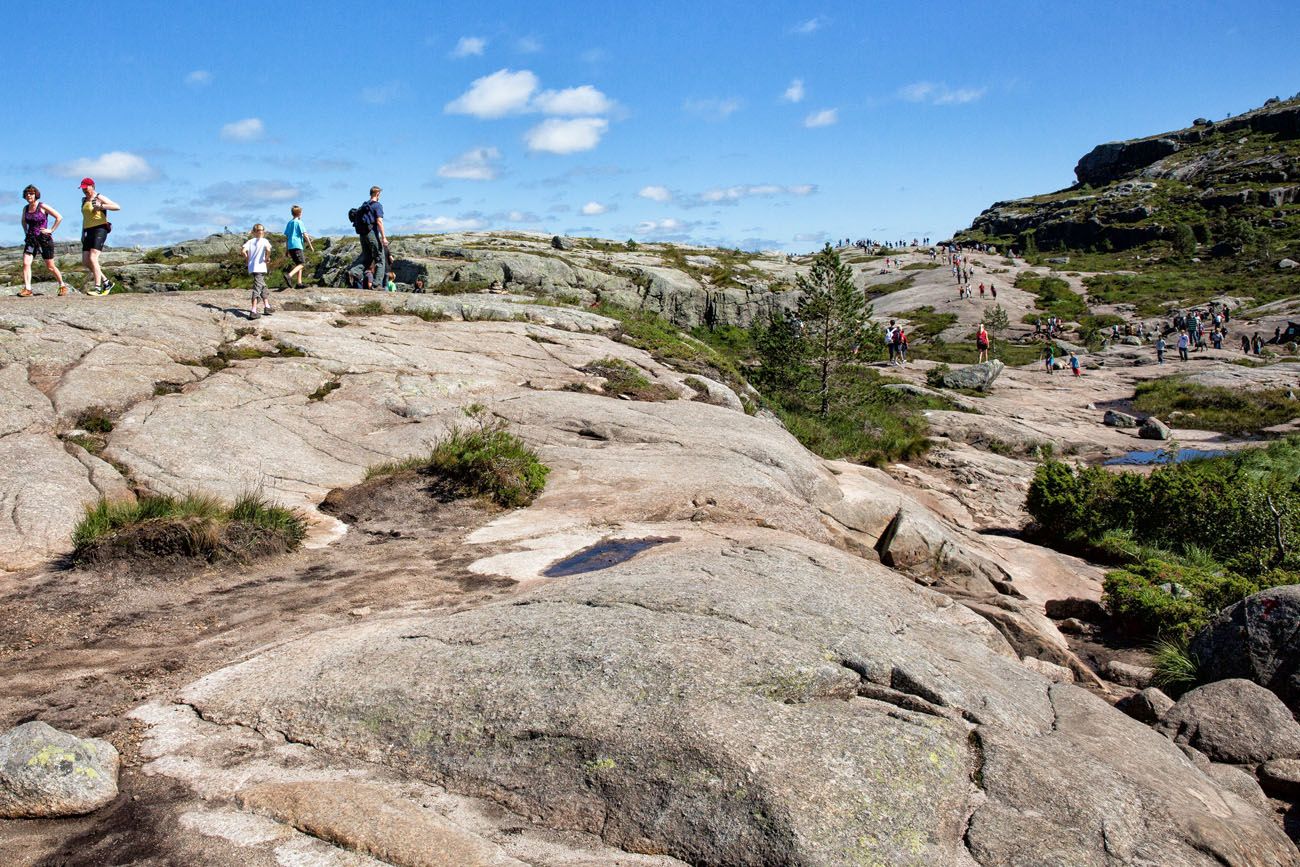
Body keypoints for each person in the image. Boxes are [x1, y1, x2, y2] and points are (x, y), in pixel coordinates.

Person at [18, 185, 69, 296]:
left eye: (31, 193)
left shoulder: (42, 206)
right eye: (26, 194)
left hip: (44, 239)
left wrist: (51, 230)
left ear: (36, 194)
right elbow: (23, 221)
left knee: (50, 266)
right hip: (31, 239)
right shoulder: (25, 208)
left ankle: (62, 285)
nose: (28, 196)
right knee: (26, 263)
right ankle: (28, 289)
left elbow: (59, 217)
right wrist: (25, 231)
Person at [78, 178, 119, 295]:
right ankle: (106, 282)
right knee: (86, 261)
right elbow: (85, 218)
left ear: (92, 186)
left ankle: (97, 287)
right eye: (83, 188)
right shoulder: (83, 200)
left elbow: (117, 206)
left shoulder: (99, 197)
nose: (84, 190)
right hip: (88, 231)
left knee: (93, 258)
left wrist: (101, 206)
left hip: (99, 229)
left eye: (86, 187)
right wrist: (82, 233)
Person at [356, 185, 387, 290]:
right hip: (372, 234)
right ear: (377, 194)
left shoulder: (364, 205)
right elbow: (379, 221)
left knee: (367, 259)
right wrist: (383, 237)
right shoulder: (377, 205)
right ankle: (377, 284)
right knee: (380, 259)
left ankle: (353, 272)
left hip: (363, 235)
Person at [243, 223, 273, 318]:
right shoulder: (265, 241)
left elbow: (243, 251)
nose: (261, 231)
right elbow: (268, 250)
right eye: (261, 230)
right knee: (257, 287)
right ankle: (253, 310)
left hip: (252, 267)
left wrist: (247, 259)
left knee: (263, 286)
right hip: (260, 267)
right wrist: (267, 258)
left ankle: (267, 306)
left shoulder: (250, 241)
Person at [281, 205, 314, 289]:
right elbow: (305, 235)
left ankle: (299, 283)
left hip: (291, 246)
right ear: (299, 213)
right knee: (302, 263)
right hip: (297, 245)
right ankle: (289, 275)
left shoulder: (289, 223)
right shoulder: (299, 222)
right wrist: (310, 246)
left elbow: (287, 237)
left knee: (298, 264)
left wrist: (287, 249)